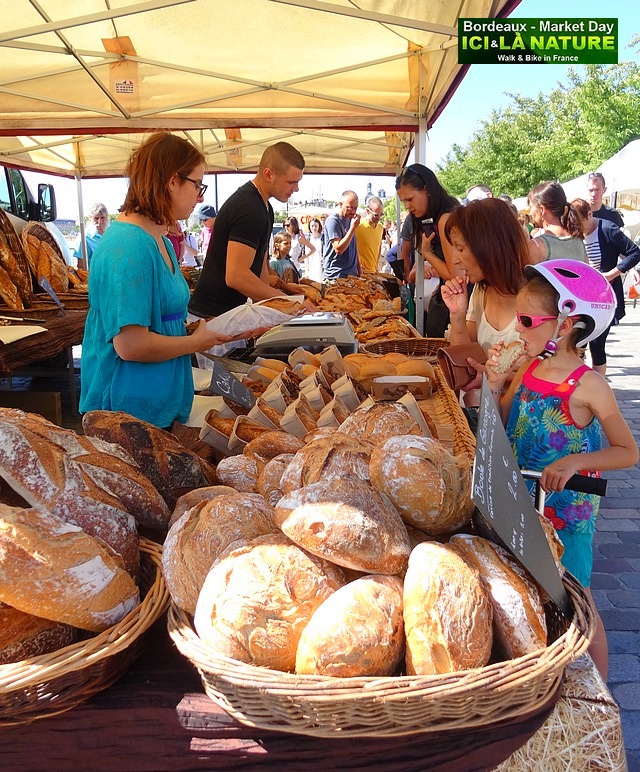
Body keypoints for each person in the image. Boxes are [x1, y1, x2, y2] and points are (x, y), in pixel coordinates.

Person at [485, 259, 639, 678]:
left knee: (578, 598)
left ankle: (601, 692)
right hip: (524, 503)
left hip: (567, 514)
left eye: (527, 320)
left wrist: (575, 461)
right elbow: (502, 423)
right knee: (537, 592)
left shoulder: (589, 385)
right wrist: (496, 381)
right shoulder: (529, 368)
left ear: (566, 323)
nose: (518, 329)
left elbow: (627, 451)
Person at [79, 132, 243, 429]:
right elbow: (131, 345)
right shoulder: (129, 246)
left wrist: (211, 330)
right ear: (172, 181)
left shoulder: (161, 241)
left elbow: (163, 319)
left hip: (157, 404)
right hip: (129, 414)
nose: (201, 195)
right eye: (198, 184)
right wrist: (194, 343)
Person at [188, 142, 309, 318]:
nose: (296, 188)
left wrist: (283, 301)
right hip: (211, 317)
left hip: (229, 315)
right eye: (291, 182)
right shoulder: (249, 208)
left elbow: (260, 272)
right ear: (269, 174)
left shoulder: (265, 208)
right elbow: (236, 275)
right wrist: (290, 303)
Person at [440, 198, 530, 405]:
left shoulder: (539, 298)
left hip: (527, 426)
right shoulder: (481, 291)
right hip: (487, 419)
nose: (454, 259)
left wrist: (496, 378)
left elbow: (554, 373)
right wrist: (457, 316)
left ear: (488, 245)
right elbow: (465, 365)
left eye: (460, 248)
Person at [571, 198, 640, 375]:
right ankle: (578, 384)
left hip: (603, 298)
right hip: (581, 297)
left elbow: (634, 252)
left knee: (597, 344)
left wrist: (611, 274)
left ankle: (598, 387)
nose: (580, 227)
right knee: (576, 342)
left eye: (582, 222)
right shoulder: (574, 233)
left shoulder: (608, 229)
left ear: (589, 214)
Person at [395, 163, 460, 336]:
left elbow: (455, 274)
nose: (407, 206)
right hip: (451, 295)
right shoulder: (437, 215)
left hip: (458, 299)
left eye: (410, 199)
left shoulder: (445, 219)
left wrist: (428, 254)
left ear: (426, 190)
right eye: (404, 202)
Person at [527, 181, 587, 264]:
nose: (530, 213)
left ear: (542, 210)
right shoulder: (579, 241)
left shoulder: (536, 247)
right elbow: (588, 275)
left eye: (531, 207)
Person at [322, 190, 361, 280]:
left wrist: (360, 272)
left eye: (355, 208)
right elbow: (338, 249)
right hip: (335, 276)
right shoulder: (333, 221)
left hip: (351, 275)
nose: (353, 212)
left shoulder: (350, 220)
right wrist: (352, 228)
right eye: (350, 208)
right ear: (340, 204)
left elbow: (354, 248)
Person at [354, 195, 385, 274]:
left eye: (381, 214)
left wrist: (376, 266)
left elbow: (378, 247)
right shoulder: (358, 227)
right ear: (367, 211)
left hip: (374, 272)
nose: (378, 218)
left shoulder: (380, 228)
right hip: (360, 273)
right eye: (376, 215)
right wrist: (358, 266)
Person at [74, 202, 109, 269]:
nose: (99, 221)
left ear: (106, 217)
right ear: (90, 218)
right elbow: (81, 267)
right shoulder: (84, 238)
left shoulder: (111, 234)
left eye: (102, 218)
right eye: (96, 218)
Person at [305, 217, 324, 282]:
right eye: (312, 226)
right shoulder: (308, 239)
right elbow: (306, 256)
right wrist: (306, 271)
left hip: (321, 267)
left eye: (316, 226)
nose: (314, 228)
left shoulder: (323, 238)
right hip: (311, 266)